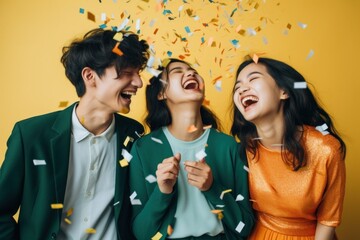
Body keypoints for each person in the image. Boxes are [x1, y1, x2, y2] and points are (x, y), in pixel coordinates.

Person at [0, 28, 149, 240]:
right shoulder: (30, 135)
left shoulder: (134, 134)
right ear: (90, 76)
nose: (138, 83)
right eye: (127, 73)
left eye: (138, 73)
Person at [129, 58, 255, 240]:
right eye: (177, 71)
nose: (190, 73)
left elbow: (244, 227)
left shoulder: (229, 147)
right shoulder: (143, 149)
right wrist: (162, 192)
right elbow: (142, 234)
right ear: (161, 93)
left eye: (193, 70)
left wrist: (212, 187)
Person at [231, 57, 346, 240]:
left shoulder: (326, 148)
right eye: (237, 87)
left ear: (283, 92)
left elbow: (328, 220)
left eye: (253, 79)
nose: (242, 89)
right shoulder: (245, 149)